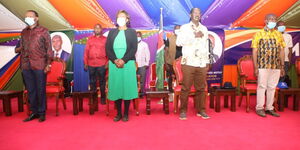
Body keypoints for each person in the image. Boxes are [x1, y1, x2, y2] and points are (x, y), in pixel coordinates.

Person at [176, 8, 210, 120]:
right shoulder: (184, 28)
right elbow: (178, 42)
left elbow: (206, 46)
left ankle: (201, 110)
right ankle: (183, 111)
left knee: (201, 88)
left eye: (199, 13)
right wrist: (193, 36)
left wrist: (207, 61)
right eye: (195, 13)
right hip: (189, 62)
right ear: (190, 15)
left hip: (201, 63)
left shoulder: (204, 29)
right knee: (186, 88)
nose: (197, 15)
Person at [105, 10, 138, 122]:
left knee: (126, 88)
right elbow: (108, 49)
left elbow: (134, 49)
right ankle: (118, 113)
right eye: (119, 17)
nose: (120, 19)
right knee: (116, 87)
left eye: (123, 17)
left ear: (127, 19)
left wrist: (123, 60)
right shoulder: (111, 33)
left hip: (127, 64)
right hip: (114, 64)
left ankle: (126, 113)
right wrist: (115, 60)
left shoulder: (132, 32)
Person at [20, 10, 53, 122]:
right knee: (31, 90)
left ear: (36, 18)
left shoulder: (44, 31)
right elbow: (22, 47)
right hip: (26, 65)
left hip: (40, 64)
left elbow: (49, 49)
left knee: (40, 89)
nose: (28, 18)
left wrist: (48, 64)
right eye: (26, 16)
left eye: (30, 16)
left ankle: (42, 112)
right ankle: (34, 112)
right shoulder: (24, 32)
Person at [252, 14, 285, 117]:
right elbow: (255, 51)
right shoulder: (258, 34)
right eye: (271, 19)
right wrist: (256, 66)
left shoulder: (279, 34)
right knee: (262, 86)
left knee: (272, 87)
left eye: (275, 19)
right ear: (265, 20)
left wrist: (282, 65)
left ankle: (269, 108)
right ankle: (259, 108)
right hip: (263, 65)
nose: (273, 21)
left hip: (275, 66)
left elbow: (282, 50)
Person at [84, 24, 108, 105]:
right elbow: (86, 51)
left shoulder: (105, 39)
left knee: (102, 82)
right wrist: (85, 62)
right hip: (91, 64)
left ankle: (103, 98)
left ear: (101, 29)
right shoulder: (90, 39)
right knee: (92, 82)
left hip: (102, 64)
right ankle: (93, 99)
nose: (97, 29)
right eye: (96, 28)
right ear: (94, 29)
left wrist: (107, 63)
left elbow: (109, 52)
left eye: (99, 28)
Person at [164, 25, 182, 95]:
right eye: (176, 29)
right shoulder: (170, 39)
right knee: (170, 78)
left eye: (179, 29)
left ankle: (180, 91)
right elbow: (166, 51)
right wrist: (166, 63)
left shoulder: (184, 39)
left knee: (181, 78)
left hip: (181, 63)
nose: (177, 30)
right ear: (174, 30)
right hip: (170, 62)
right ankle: (170, 91)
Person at [135, 31, 150, 97]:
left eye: (139, 36)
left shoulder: (144, 44)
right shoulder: (132, 44)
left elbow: (147, 54)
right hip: (134, 65)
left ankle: (141, 93)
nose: (138, 37)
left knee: (142, 80)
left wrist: (147, 63)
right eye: (137, 36)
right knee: (134, 79)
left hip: (142, 64)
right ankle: (135, 93)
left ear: (141, 37)